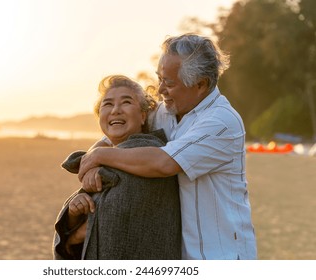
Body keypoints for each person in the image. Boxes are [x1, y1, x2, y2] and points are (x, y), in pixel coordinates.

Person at [78, 34, 258, 260]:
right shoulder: (166, 111)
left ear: (200, 84)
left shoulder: (221, 122)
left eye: (169, 83)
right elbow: (120, 134)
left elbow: (164, 163)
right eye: (159, 78)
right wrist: (95, 161)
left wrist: (100, 157)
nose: (160, 89)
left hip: (222, 256)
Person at [53, 75, 181, 260]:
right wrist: (74, 212)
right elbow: (100, 210)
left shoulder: (149, 154)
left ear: (143, 115)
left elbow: (118, 217)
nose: (115, 110)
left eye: (126, 102)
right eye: (107, 104)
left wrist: (75, 236)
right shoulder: (106, 160)